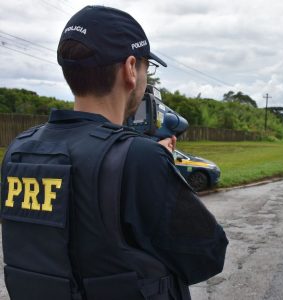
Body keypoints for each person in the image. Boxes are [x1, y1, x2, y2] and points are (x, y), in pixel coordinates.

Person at [0, 5, 228, 300]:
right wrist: (157, 165)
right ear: (130, 68)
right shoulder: (140, 159)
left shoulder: (20, 149)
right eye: (148, 67)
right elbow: (207, 254)